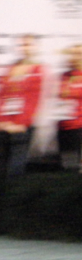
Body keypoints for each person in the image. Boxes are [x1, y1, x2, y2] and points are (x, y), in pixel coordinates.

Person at [0, 34, 44, 178]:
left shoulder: (38, 70)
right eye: (22, 45)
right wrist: (0, 120)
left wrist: (21, 123)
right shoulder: (10, 69)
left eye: (28, 45)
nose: (24, 48)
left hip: (22, 126)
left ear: (35, 48)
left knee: (16, 166)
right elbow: (1, 95)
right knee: (1, 167)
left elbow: (33, 100)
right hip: (4, 124)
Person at [57, 43, 82, 172]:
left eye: (78, 54)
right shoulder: (64, 76)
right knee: (68, 168)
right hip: (64, 126)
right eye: (71, 54)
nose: (74, 57)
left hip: (79, 128)